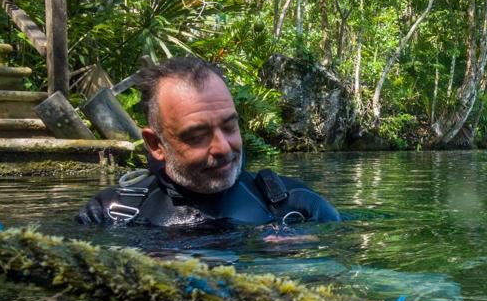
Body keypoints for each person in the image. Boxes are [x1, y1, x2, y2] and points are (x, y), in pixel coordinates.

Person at [77, 57, 340, 227]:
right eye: (197, 136)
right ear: (156, 145)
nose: (223, 148)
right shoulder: (109, 215)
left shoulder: (299, 208)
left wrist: (301, 264)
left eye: (229, 126)